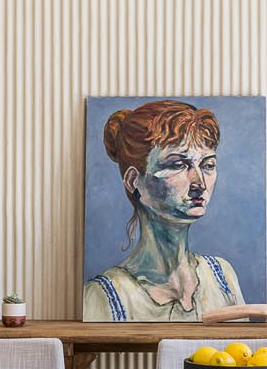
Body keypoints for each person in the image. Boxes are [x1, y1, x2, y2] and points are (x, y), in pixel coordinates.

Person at [82, 99, 246, 321]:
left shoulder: (221, 277)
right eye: (178, 165)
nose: (199, 183)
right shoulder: (106, 295)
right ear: (133, 181)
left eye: (207, 165)